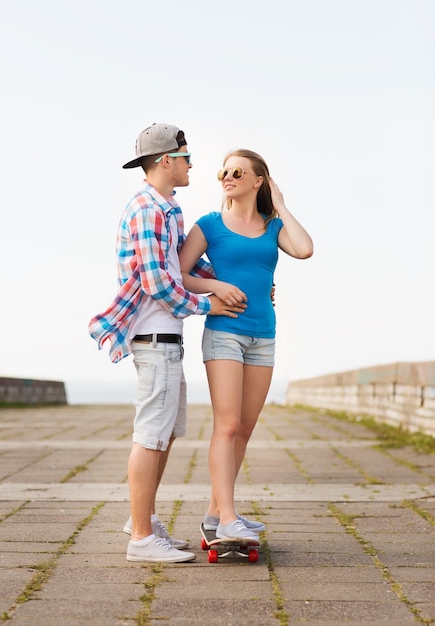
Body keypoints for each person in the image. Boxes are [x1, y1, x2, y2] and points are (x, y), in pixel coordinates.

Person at [88, 123, 246, 563]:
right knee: (151, 436)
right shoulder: (147, 209)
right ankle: (140, 538)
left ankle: (146, 521)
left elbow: (184, 266)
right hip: (154, 336)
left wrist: (228, 284)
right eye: (187, 157)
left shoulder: (168, 207)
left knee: (167, 434)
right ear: (165, 161)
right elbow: (160, 282)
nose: (193, 164)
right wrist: (207, 306)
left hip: (166, 338)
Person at [179, 148, 313, 542]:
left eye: (237, 171)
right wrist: (215, 285)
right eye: (223, 171)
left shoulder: (273, 227)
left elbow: (304, 249)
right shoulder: (209, 225)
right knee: (229, 424)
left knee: (247, 427)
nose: (227, 176)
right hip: (225, 332)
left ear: (259, 181)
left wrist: (282, 204)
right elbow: (179, 274)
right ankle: (228, 519)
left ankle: (215, 513)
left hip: (263, 335)